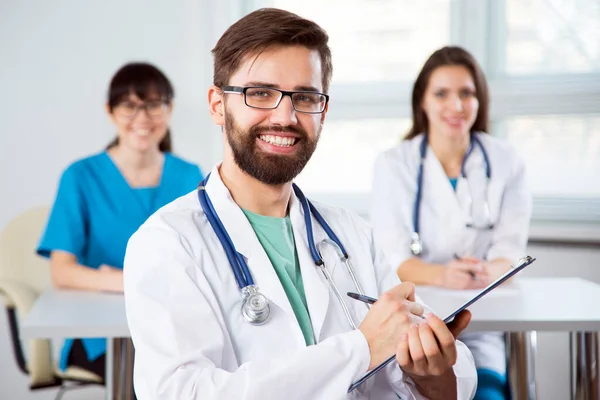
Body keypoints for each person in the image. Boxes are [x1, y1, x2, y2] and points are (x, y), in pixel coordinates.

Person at [123, 9, 477, 400]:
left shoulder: (351, 234)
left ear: (322, 110)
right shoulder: (166, 243)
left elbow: (443, 380)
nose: (285, 116)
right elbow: (180, 393)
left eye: (305, 97)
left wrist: (430, 372)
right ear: (217, 105)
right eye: (260, 93)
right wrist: (361, 348)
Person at [370, 46, 532, 400]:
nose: (456, 106)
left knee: (487, 393)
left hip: (485, 319)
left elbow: (511, 251)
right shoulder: (395, 164)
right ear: (422, 101)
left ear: (479, 100)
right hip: (417, 320)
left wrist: (485, 271)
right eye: (441, 93)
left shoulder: (506, 161)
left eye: (467, 93)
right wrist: (443, 276)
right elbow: (392, 258)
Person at [37, 62, 204, 380]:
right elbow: (61, 271)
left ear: (169, 110)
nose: (142, 118)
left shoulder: (189, 175)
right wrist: (131, 280)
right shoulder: (80, 177)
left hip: (175, 329)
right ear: (110, 111)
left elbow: (203, 259)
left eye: (154, 105)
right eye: (129, 106)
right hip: (103, 336)